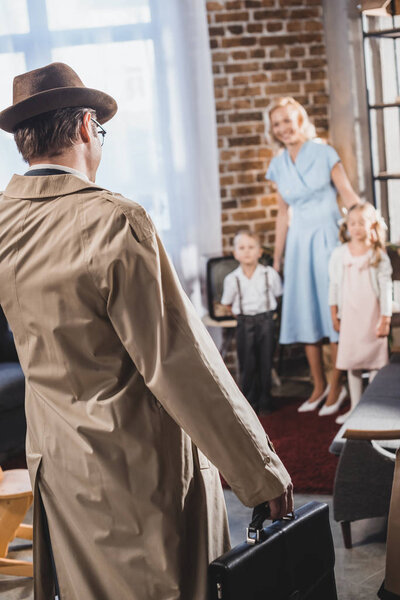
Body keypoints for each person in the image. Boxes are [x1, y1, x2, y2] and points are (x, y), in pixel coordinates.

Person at [0, 63, 292, 600]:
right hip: (137, 472)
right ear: (87, 127)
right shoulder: (114, 219)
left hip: (58, 466)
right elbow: (181, 362)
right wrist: (261, 470)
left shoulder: (4, 222)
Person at [265, 96, 360, 415]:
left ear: (301, 120)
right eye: (277, 124)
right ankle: (317, 386)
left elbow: (347, 195)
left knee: (331, 312)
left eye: (288, 121)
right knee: (305, 311)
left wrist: (365, 226)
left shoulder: (324, 152)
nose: (283, 128)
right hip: (298, 244)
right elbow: (282, 215)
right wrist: (278, 258)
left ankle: (337, 384)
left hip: (328, 238)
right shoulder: (277, 164)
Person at [329, 203, 392, 424]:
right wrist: (333, 311)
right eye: (352, 223)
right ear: (347, 226)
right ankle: (356, 407)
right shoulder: (340, 254)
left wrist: (385, 317)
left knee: (374, 360)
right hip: (351, 316)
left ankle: (371, 406)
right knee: (352, 361)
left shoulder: (377, 255)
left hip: (372, 316)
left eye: (360, 223)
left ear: (371, 225)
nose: (355, 228)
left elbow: (386, 289)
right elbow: (334, 285)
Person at [221, 230, 282, 414]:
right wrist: (242, 317)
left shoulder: (269, 274)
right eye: (242, 248)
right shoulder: (232, 279)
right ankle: (249, 401)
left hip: (265, 321)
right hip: (245, 323)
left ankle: (266, 399)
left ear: (260, 252)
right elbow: (228, 304)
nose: (247, 251)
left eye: (251, 247)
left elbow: (278, 295)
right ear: (235, 253)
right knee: (247, 362)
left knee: (266, 360)